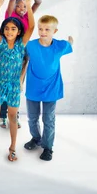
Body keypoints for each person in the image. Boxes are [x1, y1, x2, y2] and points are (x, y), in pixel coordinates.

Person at [0, 0, 35, 162]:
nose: (9, 31)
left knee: (13, 117)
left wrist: (28, 5)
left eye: (13, 29)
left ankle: (13, 147)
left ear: (18, 31)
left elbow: (31, 28)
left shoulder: (21, 45)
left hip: (14, 85)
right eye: (7, 28)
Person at [24, 15, 74, 162]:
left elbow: (69, 44)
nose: (43, 32)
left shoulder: (60, 46)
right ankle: (36, 138)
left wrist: (70, 40)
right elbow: (24, 60)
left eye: (47, 29)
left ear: (55, 31)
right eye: (40, 29)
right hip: (33, 86)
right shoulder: (31, 46)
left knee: (49, 119)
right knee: (32, 117)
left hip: (51, 88)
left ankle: (48, 147)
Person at [0, 0, 43, 128]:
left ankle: (14, 115)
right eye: (19, 6)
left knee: (17, 85)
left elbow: (39, 2)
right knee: (5, 82)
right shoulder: (10, 16)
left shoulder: (28, 13)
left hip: (22, 54)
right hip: (8, 52)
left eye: (24, 7)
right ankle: (2, 116)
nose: (22, 9)